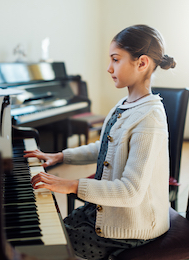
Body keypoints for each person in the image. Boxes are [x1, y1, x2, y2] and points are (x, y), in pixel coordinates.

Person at [24, 24, 176, 260]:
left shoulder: (150, 118)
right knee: (48, 231)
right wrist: (61, 156)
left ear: (142, 63)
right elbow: (104, 147)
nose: (109, 68)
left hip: (132, 226)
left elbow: (131, 192)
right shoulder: (124, 105)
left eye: (115, 59)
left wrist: (71, 185)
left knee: (49, 248)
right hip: (104, 210)